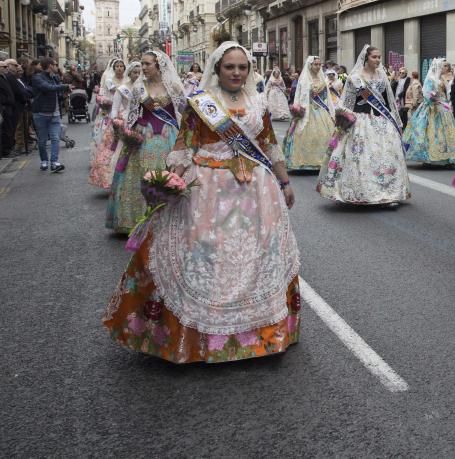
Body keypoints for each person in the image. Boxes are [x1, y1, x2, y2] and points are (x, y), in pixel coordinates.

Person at [102, 41, 300, 364]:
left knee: (255, 256)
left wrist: (285, 182)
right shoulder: (200, 104)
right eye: (229, 67)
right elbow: (185, 147)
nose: (236, 73)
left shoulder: (259, 102)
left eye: (242, 67)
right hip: (207, 189)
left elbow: (269, 144)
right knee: (206, 257)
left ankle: (258, 333)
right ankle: (200, 338)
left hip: (255, 191)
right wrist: (170, 181)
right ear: (217, 69)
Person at [106, 50, 187, 234]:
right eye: (142, 64)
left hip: (169, 135)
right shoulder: (138, 88)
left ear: (159, 66)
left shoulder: (174, 87)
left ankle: (168, 218)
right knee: (139, 176)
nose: (143, 67)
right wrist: (128, 133)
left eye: (147, 64)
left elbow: (184, 112)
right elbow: (133, 115)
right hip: (144, 135)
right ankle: (137, 219)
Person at [318, 45, 410, 205]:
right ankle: (362, 192)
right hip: (360, 123)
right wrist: (344, 116)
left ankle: (388, 193)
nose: (378, 60)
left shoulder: (383, 77)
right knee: (361, 158)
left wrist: (397, 123)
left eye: (379, 57)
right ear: (366, 58)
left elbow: (390, 102)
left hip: (382, 122)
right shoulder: (355, 78)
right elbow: (346, 102)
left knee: (385, 157)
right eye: (374, 57)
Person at [402, 57, 455, 166]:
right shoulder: (431, 78)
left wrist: (444, 101)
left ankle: (447, 157)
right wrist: (433, 98)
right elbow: (426, 93)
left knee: (445, 133)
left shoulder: (443, 79)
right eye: (443, 66)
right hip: (432, 108)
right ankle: (430, 157)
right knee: (430, 132)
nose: (445, 68)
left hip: (443, 108)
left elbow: (447, 93)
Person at [282, 56, 336, 172]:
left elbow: (326, 97)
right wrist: (297, 110)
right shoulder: (304, 79)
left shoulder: (323, 79)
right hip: (307, 110)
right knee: (304, 134)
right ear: (310, 65)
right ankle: (304, 162)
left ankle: (323, 162)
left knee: (324, 135)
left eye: (319, 64)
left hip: (321, 110)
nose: (317, 67)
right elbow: (299, 96)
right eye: (315, 64)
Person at [89, 59, 128, 188]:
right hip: (111, 115)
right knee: (109, 144)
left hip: (126, 116)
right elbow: (102, 95)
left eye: (121, 66)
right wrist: (106, 102)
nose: (119, 68)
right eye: (117, 66)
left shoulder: (128, 80)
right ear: (113, 68)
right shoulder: (108, 80)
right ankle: (107, 174)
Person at [30, 58, 71, 172]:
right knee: (42, 140)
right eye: (55, 64)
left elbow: (57, 94)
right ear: (49, 66)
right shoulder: (37, 78)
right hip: (41, 114)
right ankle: (44, 160)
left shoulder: (55, 78)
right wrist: (65, 86)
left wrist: (65, 93)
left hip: (55, 113)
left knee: (55, 138)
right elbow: (47, 88)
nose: (57, 66)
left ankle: (54, 163)